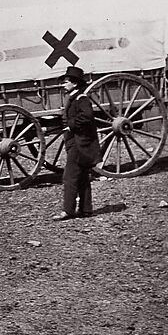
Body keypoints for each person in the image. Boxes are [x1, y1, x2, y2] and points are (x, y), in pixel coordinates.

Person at [55, 65, 100, 221]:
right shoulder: (75, 98)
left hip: (79, 142)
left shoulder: (81, 99)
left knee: (69, 176)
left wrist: (71, 125)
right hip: (77, 141)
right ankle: (86, 210)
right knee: (81, 176)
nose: (63, 84)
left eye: (65, 81)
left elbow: (87, 116)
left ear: (74, 83)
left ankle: (68, 210)